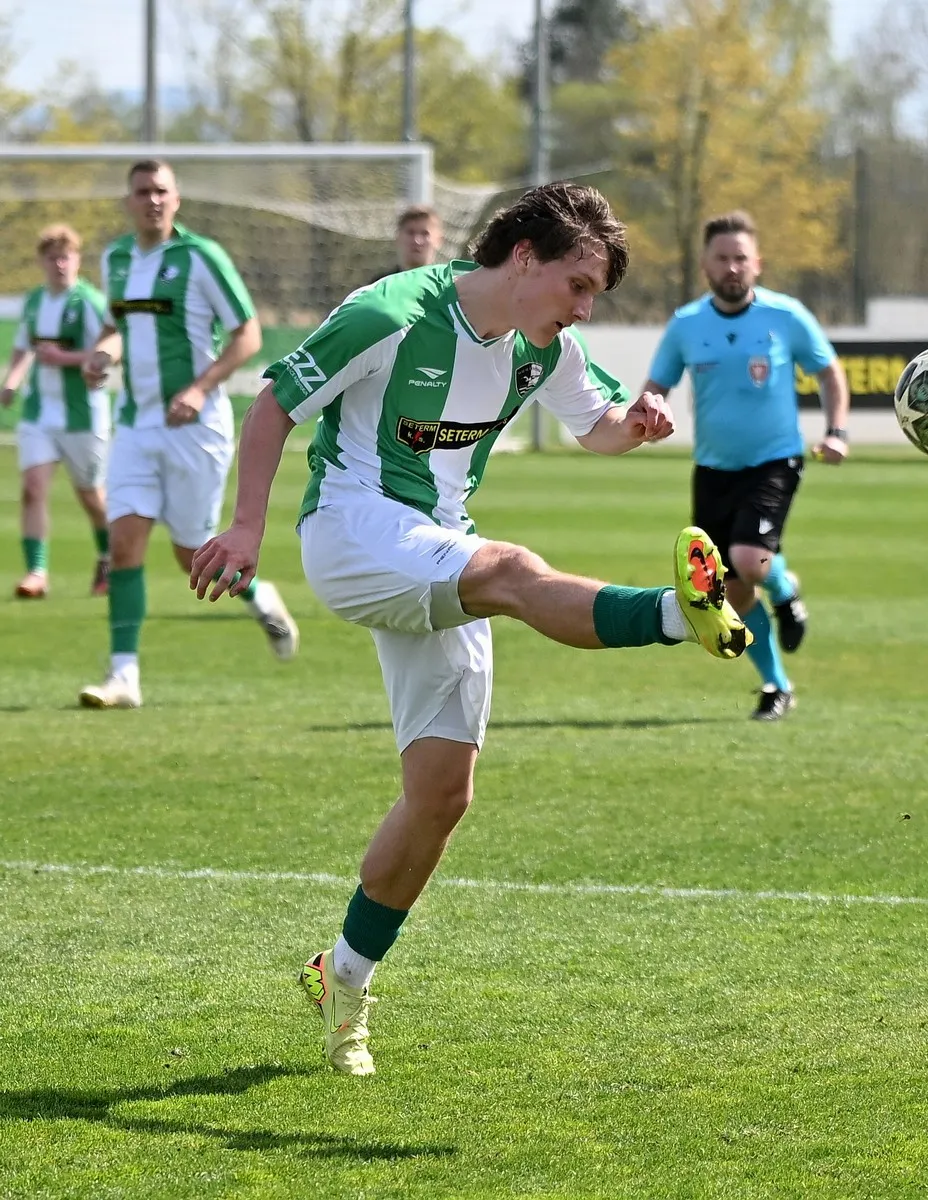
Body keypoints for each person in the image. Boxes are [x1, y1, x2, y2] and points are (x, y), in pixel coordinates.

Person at [189, 181, 750, 1076]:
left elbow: (598, 428)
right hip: (352, 528)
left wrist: (636, 425)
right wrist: (248, 525)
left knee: (441, 797)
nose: (584, 308)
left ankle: (342, 977)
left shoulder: (541, 345)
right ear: (523, 256)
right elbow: (273, 406)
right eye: (577, 284)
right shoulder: (390, 313)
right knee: (513, 572)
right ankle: (675, 616)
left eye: (594, 294)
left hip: (434, 549)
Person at [77, 158, 299, 710]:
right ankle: (123, 676)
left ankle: (259, 595)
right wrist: (103, 352)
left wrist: (200, 389)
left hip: (195, 429)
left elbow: (248, 335)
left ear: (176, 199)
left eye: (161, 190)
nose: (152, 200)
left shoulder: (201, 257)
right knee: (124, 542)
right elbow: (118, 325)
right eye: (142, 191)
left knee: (189, 553)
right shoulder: (116, 258)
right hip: (135, 425)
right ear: (128, 201)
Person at [643, 210, 850, 722]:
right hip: (713, 468)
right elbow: (656, 386)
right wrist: (642, 418)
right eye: (722, 258)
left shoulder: (786, 316)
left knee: (747, 559)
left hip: (774, 460)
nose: (732, 267)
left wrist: (837, 431)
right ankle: (777, 684)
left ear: (758, 263)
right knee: (731, 589)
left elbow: (829, 372)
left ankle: (780, 585)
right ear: (705, 265)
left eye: (741, 258)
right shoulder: (687, 324)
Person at [1, 224, 111, 600]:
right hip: (39, 413)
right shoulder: (34, 301)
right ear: (42, 262)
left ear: (77, 260)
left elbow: (109, 349)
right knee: (32, 489)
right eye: (52, 258)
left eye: (66, 257)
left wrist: (66, 358)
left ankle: (108, 557)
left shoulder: (90, 302)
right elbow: (23, 347)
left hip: (83, 415)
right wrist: (12, 379)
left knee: (91, 497)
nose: (60, 264)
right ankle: (36, 573)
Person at [371, 204, 443, 282]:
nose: (417, 240)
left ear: (439, 240)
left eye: (425, 233)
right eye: (411, 233)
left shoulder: (447, 285)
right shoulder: (381, 284)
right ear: (398, 237)